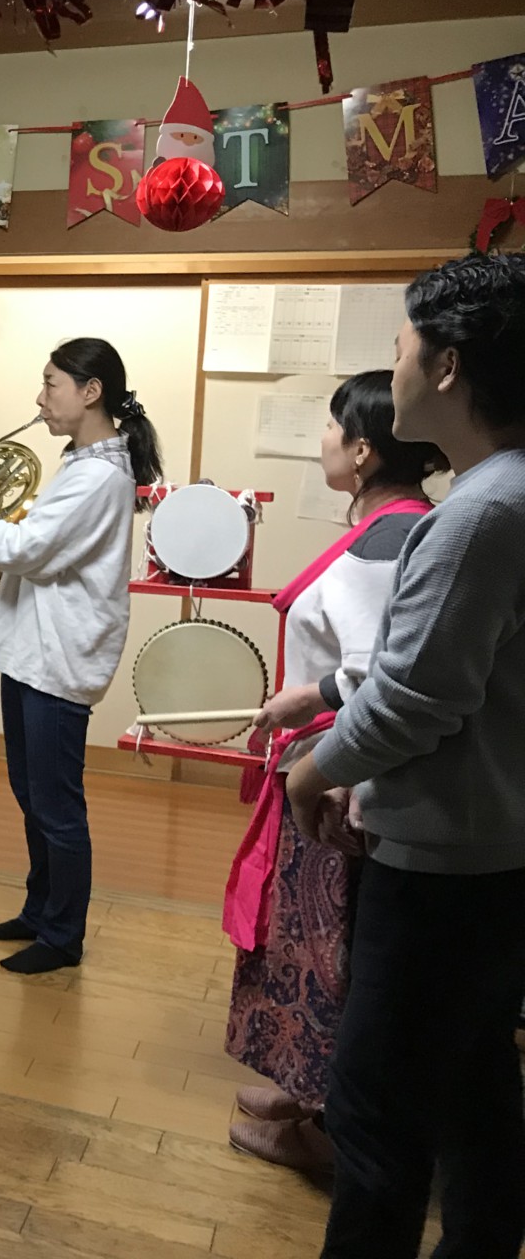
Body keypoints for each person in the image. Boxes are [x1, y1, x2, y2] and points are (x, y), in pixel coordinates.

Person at [284, 255, 525, 1259]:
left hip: (443, 874)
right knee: (477, 1089)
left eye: (400, 351)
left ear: (450, 365)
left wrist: (315, 768)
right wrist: (338, 707)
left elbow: (418, 699)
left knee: (375, 1116)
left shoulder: (482, 513)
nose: (395, 372)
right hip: (494, 854)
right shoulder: (500, 493)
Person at [221, 372, 443, 1173]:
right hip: (333, 762)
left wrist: (305, 707)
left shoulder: (388, 540)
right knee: (321, 945)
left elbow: (378, 672)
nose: (321, 438)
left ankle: (326, 1124)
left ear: (362, 450)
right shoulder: (399, 524)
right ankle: (307, 1092)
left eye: (330, 425)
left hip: (337, 770)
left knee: (330, 951)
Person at [0, 338, 160, 975]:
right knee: (32, 794)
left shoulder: (101, 475)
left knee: (56, 805)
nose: (40, 397)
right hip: (36, 653)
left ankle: (62, 936)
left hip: (58, 659)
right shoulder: (84, 462)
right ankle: (39, 910)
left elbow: (25, 550)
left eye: (52, 384)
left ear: (91, 391)